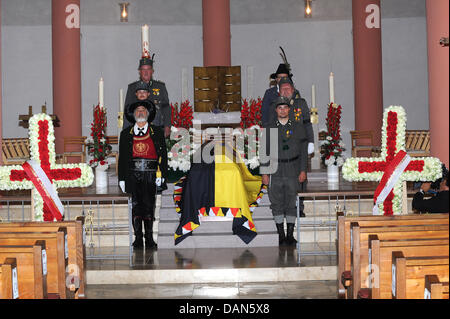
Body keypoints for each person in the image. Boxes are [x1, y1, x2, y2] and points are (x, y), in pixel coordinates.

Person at [118, 100, 168, 249]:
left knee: (149, 206)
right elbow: (122, 157)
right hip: (133, 175)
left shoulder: (157, 132)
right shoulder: (126, 134)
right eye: (138, 111)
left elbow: (163, 155)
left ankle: (149, 237)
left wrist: (162, 174)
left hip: (151, 174)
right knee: (135, 207)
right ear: (133, 115)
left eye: (143, 110)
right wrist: (122, 178)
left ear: (148, 114)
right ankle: (138, 238)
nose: (140, 113)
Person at [260, 96, 308, 246]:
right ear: (276, 110)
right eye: (280, 108)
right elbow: (264, 151)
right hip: (275, 169)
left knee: (291, 202)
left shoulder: (298, 127)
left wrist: (303, 170)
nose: (282, 110)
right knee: (277, 202)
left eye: (285, 108)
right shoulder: (269, 128)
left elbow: (303, 151)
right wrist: (264, 172)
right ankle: (281, 235)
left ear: (289, 109)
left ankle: (290, 235)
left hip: (293, 168)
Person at [124, 57, 171, 138]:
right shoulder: (132, 88)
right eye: (143, 69)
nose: (146, 72)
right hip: (137, 130)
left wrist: (167, 126)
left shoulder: (160, 87)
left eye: (148, 69)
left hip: (157, 127)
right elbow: (127, 110)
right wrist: (126, 131)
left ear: (152, 71)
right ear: (139, 71)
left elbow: (166, 108)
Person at [261, 63, 292, 127]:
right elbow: (265, 113)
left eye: (285, 77)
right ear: (276, 79)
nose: (283, 79)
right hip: (273, 128)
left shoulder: (294, 92)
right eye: (280, 77)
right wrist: (267, 131)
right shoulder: (269, 93)